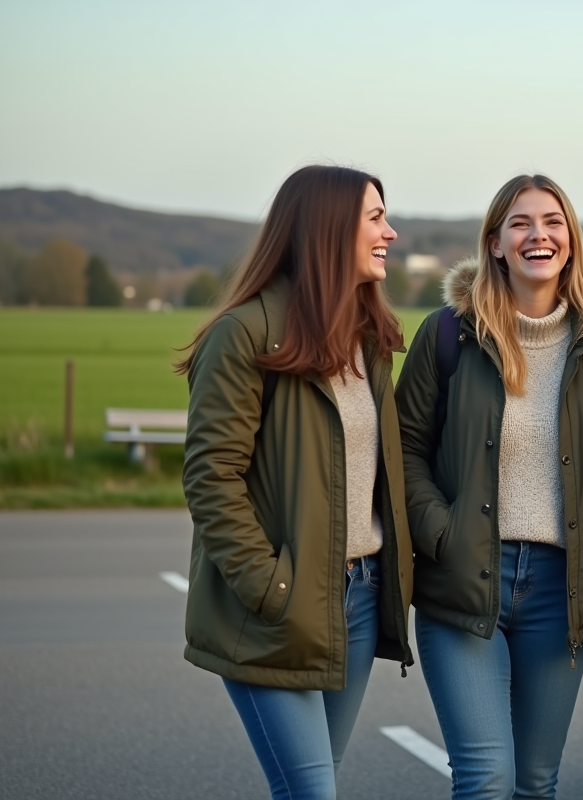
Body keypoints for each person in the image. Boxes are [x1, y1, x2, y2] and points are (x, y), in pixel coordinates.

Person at [395, 174, 583, 800]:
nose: (540, 235)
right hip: (464, 577)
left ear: (571, 239)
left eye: (553, 222)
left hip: (562, 592)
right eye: (522, 223)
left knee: (534, 782)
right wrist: (438, 530)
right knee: (487, 780)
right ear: (496, 244)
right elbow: (403, 450)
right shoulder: (449, 335)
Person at [177, 165, 414, 800]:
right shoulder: (245, 334)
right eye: (374, 218)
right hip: (277, 605)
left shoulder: (370, 341)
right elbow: (210, 476)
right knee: (312, 793)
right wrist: (271, 585)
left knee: (314, 785)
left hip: (359, 599)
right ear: (328, 231)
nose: (390, 232)